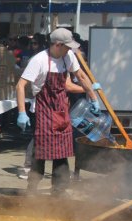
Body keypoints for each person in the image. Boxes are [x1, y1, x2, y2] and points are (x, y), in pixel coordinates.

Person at [15, 28, 99, 195]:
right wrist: (22, 112)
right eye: (67, 46)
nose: (70, 50)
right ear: (57, 45)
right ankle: (32, 190)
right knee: (40, 153)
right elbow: (20, 86)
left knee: (62, 152)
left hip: (61, 110)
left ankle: (59, 191)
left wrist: (93, 96)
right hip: (43, 111)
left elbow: (80, 77)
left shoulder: (68, 56)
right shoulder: (38, 60)